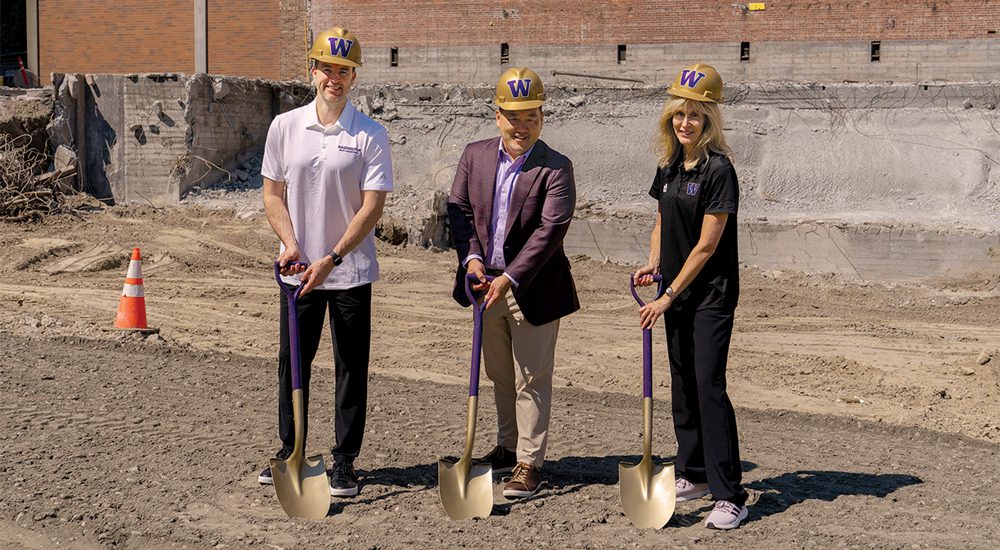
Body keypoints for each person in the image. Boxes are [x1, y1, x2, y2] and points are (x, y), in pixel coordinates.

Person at [257, 27, 392, 498]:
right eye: (328, 69)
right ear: (313, 72)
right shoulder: (285, 127)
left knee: (350, 366)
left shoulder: (370, 134)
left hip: (349, 272)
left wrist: (333, 258)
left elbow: (372, 207)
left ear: (354, 77)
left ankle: (344, 463)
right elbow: (273, 193)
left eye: (344, 71)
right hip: (297, 273)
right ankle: (290, 450)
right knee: (292, 362)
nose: (335, 78)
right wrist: (291, 243)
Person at [447, 67, 579, 499]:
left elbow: (550, 230)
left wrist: (510, 277)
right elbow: (459, 209)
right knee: (499, 373)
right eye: (514, 116)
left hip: (533, 289)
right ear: (497, 115)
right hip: (485, 287)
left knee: (531, 377)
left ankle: (529, 462)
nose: (522, 125)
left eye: (532, 116)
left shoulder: (556, 167)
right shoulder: (475, 155)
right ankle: (506, 448)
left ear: (542, 116)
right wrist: (471, 260)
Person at [633, 63, 749, 529]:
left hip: (709, 295)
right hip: (674, 291)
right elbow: (663, 220)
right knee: (682, 384)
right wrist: (653, 264)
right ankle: (694, 472)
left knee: (708, 386)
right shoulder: (668, 166)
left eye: (696, 116)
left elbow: (706, 244)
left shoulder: (720, 171)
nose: (686, 123)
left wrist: (669, 294)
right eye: (679, 115)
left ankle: (731, 494)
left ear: (709, 120)